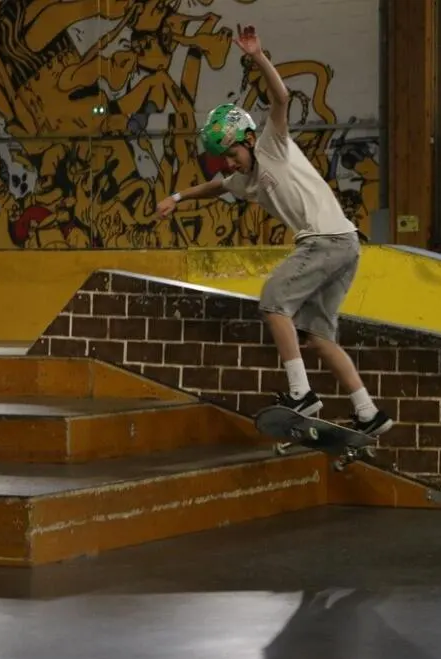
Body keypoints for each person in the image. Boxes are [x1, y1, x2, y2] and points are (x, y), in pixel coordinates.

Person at [154, 25, 393, 437]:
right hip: (346, 246)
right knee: (318, 335)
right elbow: (215, 187)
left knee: (273, 301)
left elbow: (280, 98)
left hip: (325, 241)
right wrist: (177, 196)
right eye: (224, 159)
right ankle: (369, 412)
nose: (230, 163)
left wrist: (257, 57)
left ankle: (301, 393)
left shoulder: (271, 145)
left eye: (232, 153)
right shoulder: (242, 180)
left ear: (248, 140)